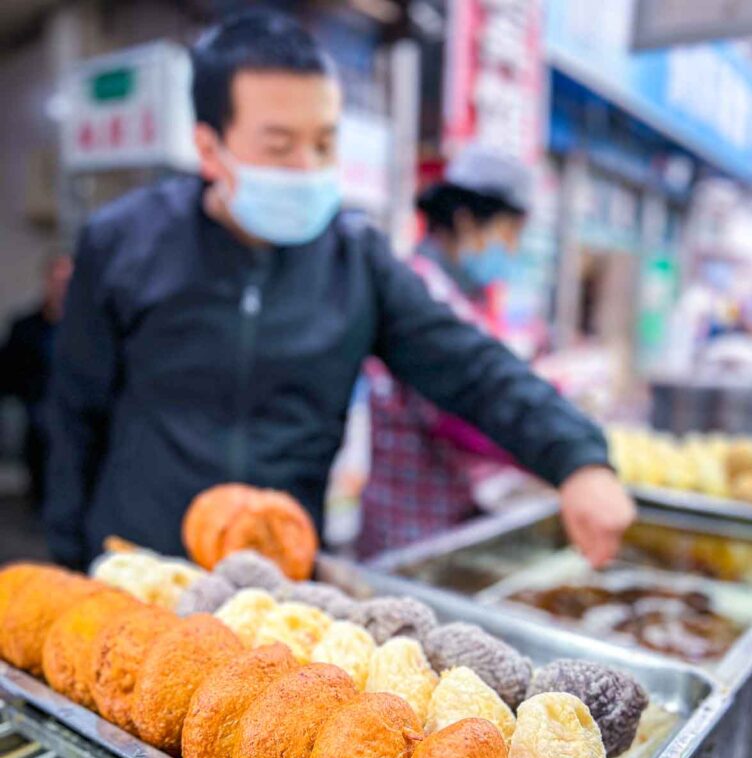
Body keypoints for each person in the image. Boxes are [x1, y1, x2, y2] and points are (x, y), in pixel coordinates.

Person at [46, 10, 634, 571]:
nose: (307, 166)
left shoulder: (357, 261)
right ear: (209, 148)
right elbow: (75, 414)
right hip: (139, 565)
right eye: (279, 146)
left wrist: (576, 457)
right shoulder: (123, 243)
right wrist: (71, 559)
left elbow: (472, 368)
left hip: (277, 580)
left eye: (324, 143)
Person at [360, 146, 535, 557]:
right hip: (409, 530)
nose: (512, 248)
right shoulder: (422, 292)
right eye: (507, 232)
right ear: (465, 220)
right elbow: (461, 411)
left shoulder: (463, 294)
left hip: (442, 517)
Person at [0, 253, 72, 506]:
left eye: (68, 281)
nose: (61, 288)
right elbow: (9, 372)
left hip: (79, 413)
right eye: (57, 280)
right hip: (39, 413)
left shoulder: (91, 329)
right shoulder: (25, 326)